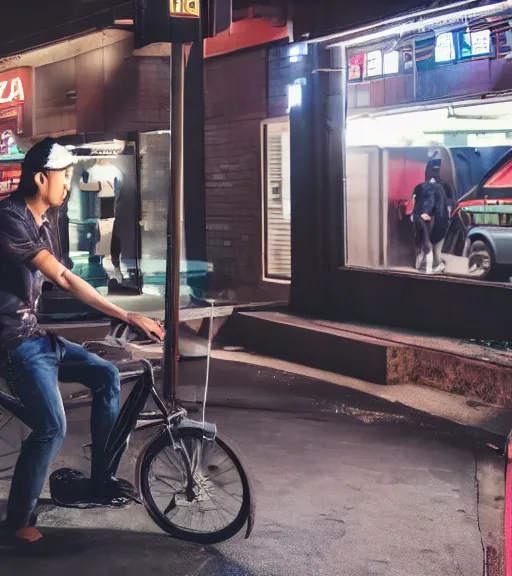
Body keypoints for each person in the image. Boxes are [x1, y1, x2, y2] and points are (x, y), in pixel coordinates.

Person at [0, 138, 164, 545]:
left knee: (107, 375)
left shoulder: (46, 219)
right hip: (10, 342)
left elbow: (60, 281)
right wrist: (125, 315)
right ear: (41, 178)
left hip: (34, 336)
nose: (69, 184)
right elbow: (63, 278)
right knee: (51, 427)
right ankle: (18, 523)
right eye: (64, 176)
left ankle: (100, 479)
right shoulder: (10, 217)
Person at [412, 159, 450, 274]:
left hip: (423, 217)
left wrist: (418, 214)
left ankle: (427, 266)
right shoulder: (443, 187)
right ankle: (432, 266)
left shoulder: (420, 187)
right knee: (431, 245)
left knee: (426, 243)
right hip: (437, 218)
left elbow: (416, 202)